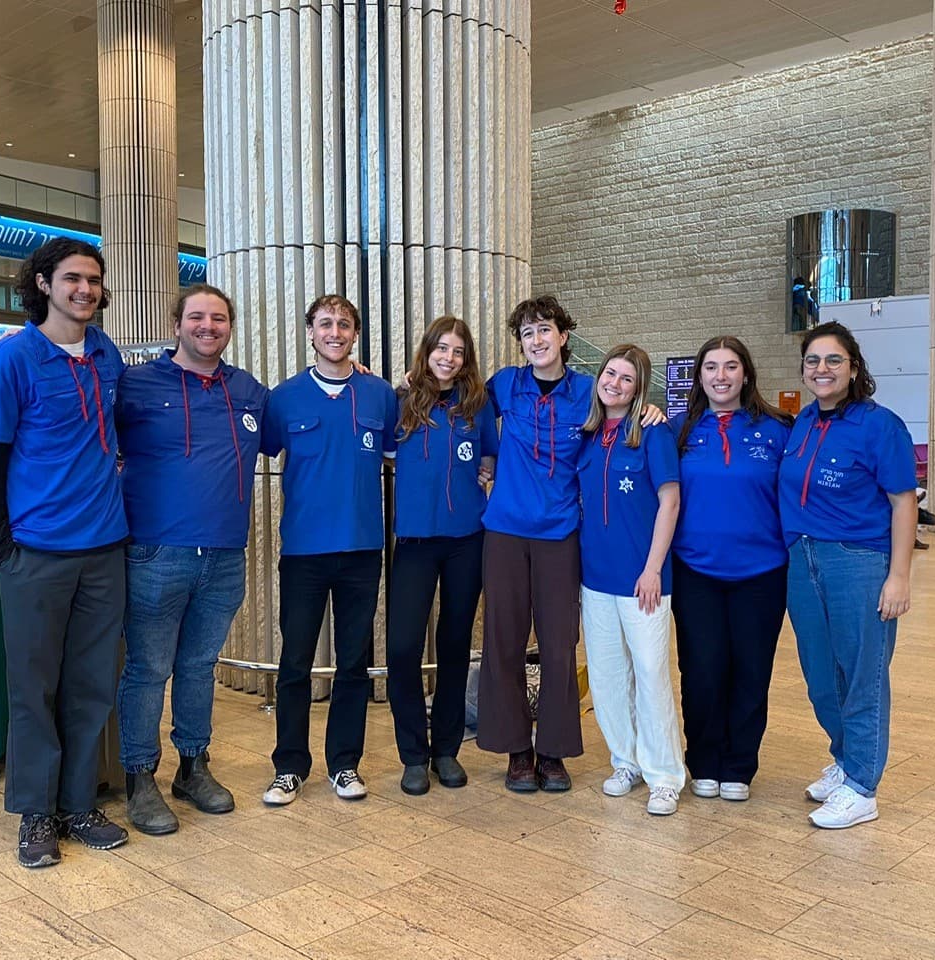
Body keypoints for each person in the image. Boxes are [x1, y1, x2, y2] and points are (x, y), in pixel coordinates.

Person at [0, 237, 129, 867]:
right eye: (71, 279)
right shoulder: (12, 359)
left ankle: (76, 803)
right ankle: (35, 813)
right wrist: (0, 543)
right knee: (33, 688)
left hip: (104, 550)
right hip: (35, 552)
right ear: (42, 283)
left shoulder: (106, 355)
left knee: (92, 685)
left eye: (92, 280)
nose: (84, 290)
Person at [476, 296, 663, 792]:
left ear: (563, 337)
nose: (536, 341)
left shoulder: (588, 394)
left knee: (559, 645)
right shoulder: (505, 385)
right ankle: (517, 750)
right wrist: (410, 383)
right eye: (527, 334)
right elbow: (455, 404)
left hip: (561, 534)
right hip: (505, 533)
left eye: (544, 331)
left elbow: (625, 414)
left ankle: (553, 752)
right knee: (504, 641)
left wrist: (653, 410)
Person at [114, 284, 268, 835]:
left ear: (230, 327)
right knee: (148, 668)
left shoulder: (248, 391)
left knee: (199, 665)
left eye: (219, 318)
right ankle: (139, 776)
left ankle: (193, 766)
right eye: (197, 317)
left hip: (224, 554)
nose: (209, 326)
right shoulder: (134, 385)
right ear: (176, 323)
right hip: (156, 552)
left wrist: (358, 378)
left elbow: (296, 430)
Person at [259, 294, 398, 805]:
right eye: (325, 323)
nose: (334, 331)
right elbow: (252, 447)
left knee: (353, 663)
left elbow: (399, 455)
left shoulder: (379, 395)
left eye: (343, 324)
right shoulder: (284, 398)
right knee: (294, 661)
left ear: (355, 334)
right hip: (303, 553)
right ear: (310, 332)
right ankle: (289, 766)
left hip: (362, 550)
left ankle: (345, 763)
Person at [778, 320, 917, 830]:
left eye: (833, 360)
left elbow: (903, 503)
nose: (822, 369)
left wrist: (898, 576)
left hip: (857, 561)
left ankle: (863, 785)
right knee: (820, 676)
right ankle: (844, 758)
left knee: (862, 675)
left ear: (853, 367)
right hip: (802, 559)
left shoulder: (880, 426)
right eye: (813, 361)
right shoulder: (802, 423)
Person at [669, 336, 792, 803]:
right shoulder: (677, 431)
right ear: (699, 376)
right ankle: (702, 760)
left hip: (761, 574)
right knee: (701, 670)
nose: (721, 376)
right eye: (712, 367)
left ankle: (740, 764)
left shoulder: (777, 430)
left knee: (750, 670)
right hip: (695, 571)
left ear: (746, 374)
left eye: (731, 367)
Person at [387, 315, 498, 796]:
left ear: (466, 358)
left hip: (465, 541)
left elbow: (491, 456)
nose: (448, 358)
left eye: (457, 351)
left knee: (454, 645)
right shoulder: (400, 401)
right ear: (426, 351)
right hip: (414, 541)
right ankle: (413, 754)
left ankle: (447, 750)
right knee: (403, 648)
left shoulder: (478, 405)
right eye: (440, 349)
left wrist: (485, 477)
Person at [577, 344, 684, 815]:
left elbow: (670, 501)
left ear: (639, 388)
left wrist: (653, 568)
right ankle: (626, 760)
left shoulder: (653, 433)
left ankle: (664, 774)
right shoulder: (589, 432)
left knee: (651, 675)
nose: (614, 383)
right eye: (609, 374)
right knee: (606, 676)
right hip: (595, 578)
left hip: (643, 581)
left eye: (626, 378)